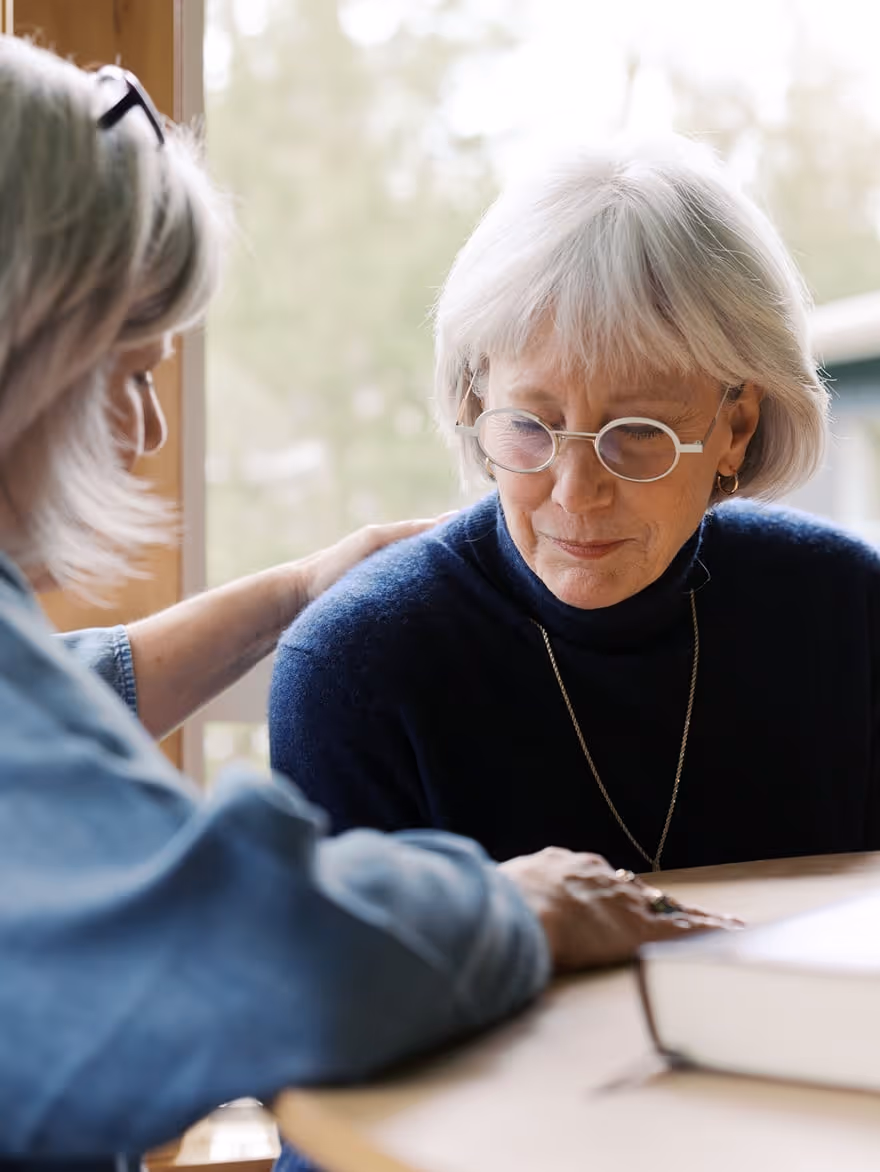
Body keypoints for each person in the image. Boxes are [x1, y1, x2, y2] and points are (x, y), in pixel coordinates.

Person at [0, 38, 734, 1171]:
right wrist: (512, 904)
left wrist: (291, 590)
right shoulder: (374, 662)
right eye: (130, 370)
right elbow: (264, 955)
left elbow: (53, 701)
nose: (144, 431)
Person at [270, 134, 880, 880]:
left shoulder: (849, 614)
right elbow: (351, 987)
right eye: (530, 427)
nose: (575, 489)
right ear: (475, 399)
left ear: (737, 427)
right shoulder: (359, 667)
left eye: (638, 434)